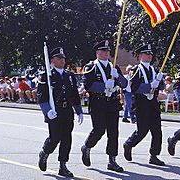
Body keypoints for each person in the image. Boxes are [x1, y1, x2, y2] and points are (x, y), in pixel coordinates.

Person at [81, 40, 127, 172]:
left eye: (108, 51)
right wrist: (103, 86)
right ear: (97, 53)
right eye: (104, 51)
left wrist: (117, 76)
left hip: (112, 103)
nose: (107, 53)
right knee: (99, 130)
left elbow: (124, 84)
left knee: (113, 132)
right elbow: (87, 85)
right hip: (98, 102)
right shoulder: (91, 67)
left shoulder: (114, 67)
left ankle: (112, 160)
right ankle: (87, 146)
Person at [37, 47, 83, 177]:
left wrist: (78, 110)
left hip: (67, 110)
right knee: (55, 137)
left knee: (67, 138)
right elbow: (41, 97)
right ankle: (45, 152)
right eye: (59, 58)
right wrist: (47, 111)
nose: (62, 60)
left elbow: (74, 94)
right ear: (52, 60)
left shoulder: (69, 76)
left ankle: (63, 165)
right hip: (54, 111)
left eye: (63, 58)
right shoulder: (46, 76)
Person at [123, 44, 165, 166]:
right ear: (140, 56)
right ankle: (129, 144)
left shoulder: (155, 70)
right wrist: (149, 86)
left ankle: (154, 155)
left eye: (150, 54)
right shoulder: (136, 70)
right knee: (142, 131)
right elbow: (133, 88)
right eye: (147, 54)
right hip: (141, 103)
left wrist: (159, 82)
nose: (149, 56)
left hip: (153, 103)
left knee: (157, 131)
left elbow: (160, 86)